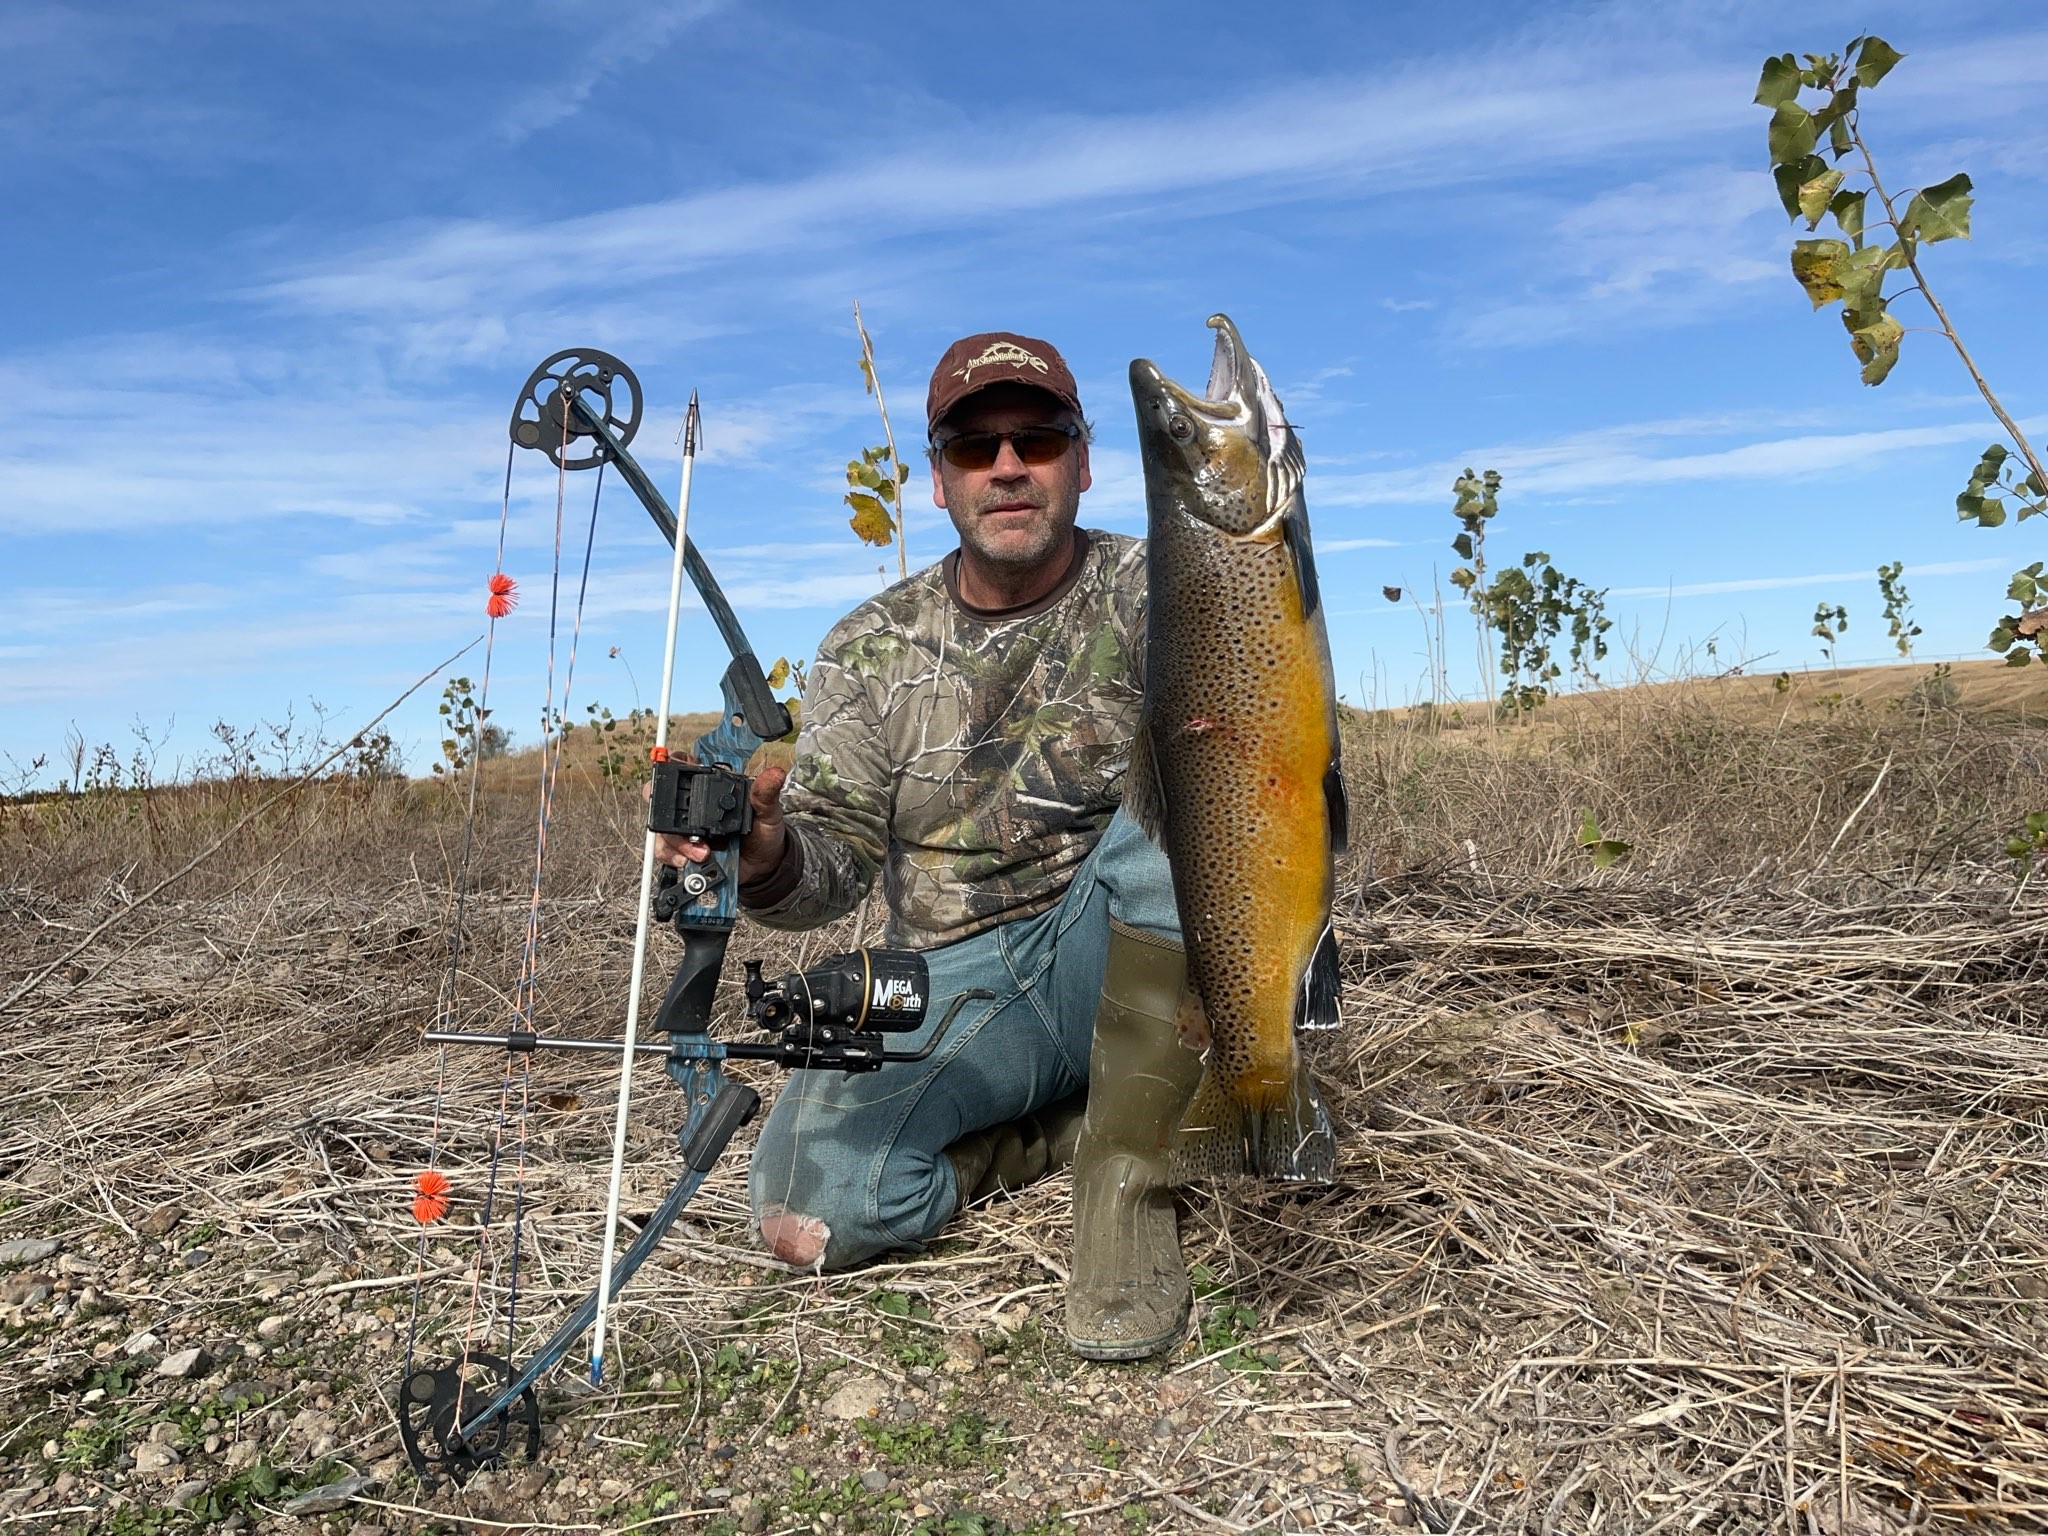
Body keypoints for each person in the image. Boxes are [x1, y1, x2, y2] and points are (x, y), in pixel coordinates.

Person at [657, 332, 1203, 1360]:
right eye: (972, 445)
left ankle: (1125, 1179)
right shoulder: (868, 646)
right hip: (959, 981)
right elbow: (832, 867)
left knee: (1197, 805)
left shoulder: (1168, 590)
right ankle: (1062, 1125)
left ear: (1082, 464)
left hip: (1122, 935)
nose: (1006, 466)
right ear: (939, 480)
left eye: (1036, 440)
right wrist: (766, 851)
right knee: (805, 1211)